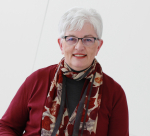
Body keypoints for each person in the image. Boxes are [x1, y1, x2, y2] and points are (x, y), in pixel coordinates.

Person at [0, 7, 129, 136]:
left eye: (88, 39)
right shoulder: (37, 80)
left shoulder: (114, 94)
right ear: (61, 45)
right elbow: (6, 127)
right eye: (71, 39)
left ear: (98, 46)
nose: (79, 47)